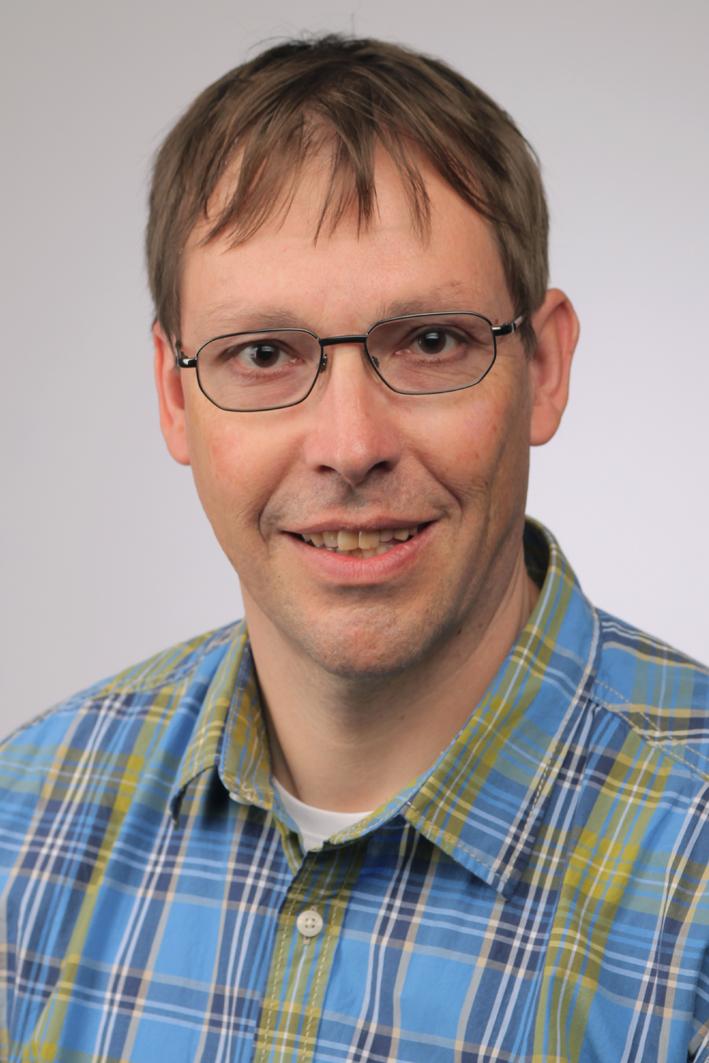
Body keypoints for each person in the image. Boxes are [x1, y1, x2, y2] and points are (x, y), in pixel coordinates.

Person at [1, 34, 707, 1062]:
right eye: (261, 353)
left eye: (429, 341)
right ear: (173, 396)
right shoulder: (22, 820)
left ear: (544, 367)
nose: (350, 444)